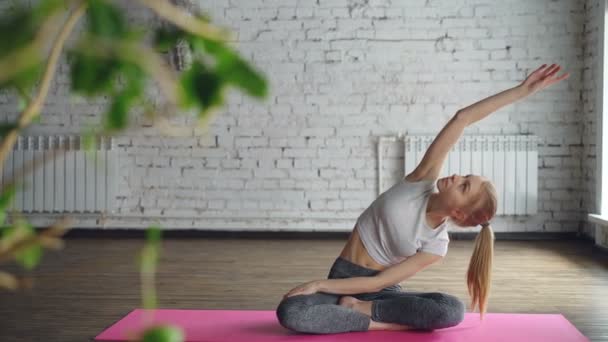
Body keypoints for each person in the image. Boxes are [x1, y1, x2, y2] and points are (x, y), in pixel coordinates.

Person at [275, 64, 570, 334]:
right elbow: (462, 118)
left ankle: (366, 315)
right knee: (291, 313)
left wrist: (321, 286)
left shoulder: (437, 245)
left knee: (450, 310)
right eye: (465, 175)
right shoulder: (421, 181)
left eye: (464, 185)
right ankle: (381, 322)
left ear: (459, 214)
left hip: (381, 292)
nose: (456, 176)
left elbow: (379, 283)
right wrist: (521, 91)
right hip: (345, 279)